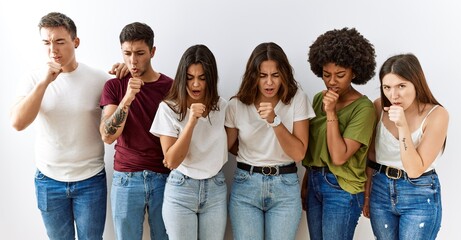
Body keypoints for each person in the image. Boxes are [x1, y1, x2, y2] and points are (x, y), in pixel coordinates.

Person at [9, 12, 126, 240]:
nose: (53, 49)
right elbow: (18, 123)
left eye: (60, 41)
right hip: (48, 181)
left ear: (76, 42)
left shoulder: (98, 79)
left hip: (90, 180)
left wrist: (125, 70)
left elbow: (118, 115)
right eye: (46, 42)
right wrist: (45, 82)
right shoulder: (34, 80)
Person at [225, 42, 315, 240]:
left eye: (275, 75)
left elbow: (299, 153)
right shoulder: (236, 105)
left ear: (284, 74)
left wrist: (275, 121)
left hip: (285, 185)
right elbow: (226, 147)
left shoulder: (297, 99)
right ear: (253, 76)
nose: (269, 83)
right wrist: (252, 153)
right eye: (262, 75)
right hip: (246, 184)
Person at [301, 27, 377, 240]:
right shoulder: (318, 99)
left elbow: (339, 156)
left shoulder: (364, 108)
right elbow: (316, 148)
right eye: (326, 75)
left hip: (342, 188)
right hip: (316, 182)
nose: (332, 81)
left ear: (354, 72)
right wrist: (307, 181)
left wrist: (331, 112)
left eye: (340, 75)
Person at [99, 22, 173, 240]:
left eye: (140, 53)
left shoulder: (170, 88)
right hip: (126, 178)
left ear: (152, 52)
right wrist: (128, 98)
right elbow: (107, 136)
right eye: (127, 53)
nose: (133, 61)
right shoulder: (115, 86)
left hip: (164, 177)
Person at [363, 54, 448, 240]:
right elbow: (371, 155)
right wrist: (367, 194)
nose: (393, 95)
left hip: (418, 193)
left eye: (401, 86)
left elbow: (414, 169)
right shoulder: (378, 107)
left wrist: (402, 126)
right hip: (380, 189)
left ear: (416, 82)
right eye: (387, 87)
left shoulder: (437, 114)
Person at [150, 44, 228, 240]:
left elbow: (231, 143)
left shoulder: (223, 107)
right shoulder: (168, 109)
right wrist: (191, 121)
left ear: (210, 79)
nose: (196, 85)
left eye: (202, 78)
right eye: (190, 78)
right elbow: (171, 160)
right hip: (181, 189)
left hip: (215, 188)